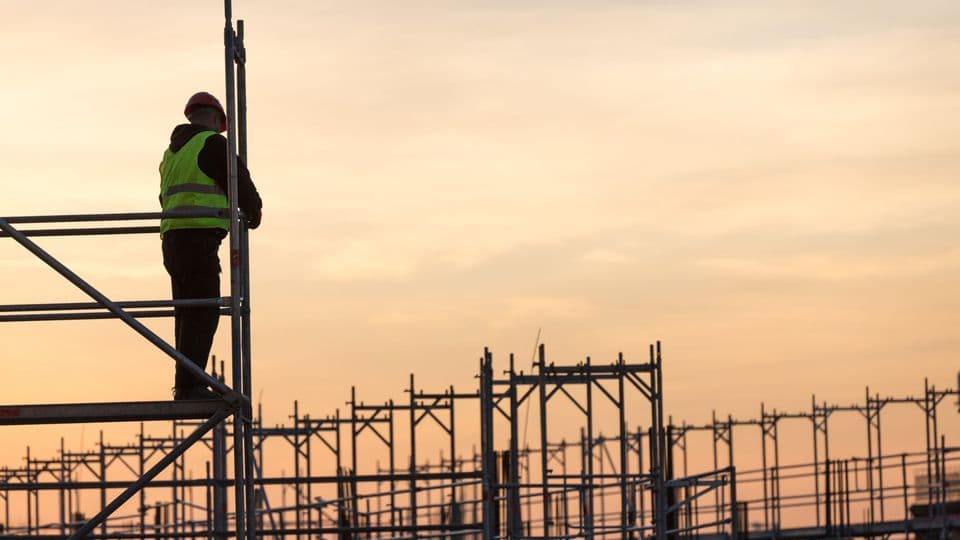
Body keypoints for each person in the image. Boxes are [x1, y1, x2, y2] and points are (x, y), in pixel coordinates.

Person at [159, 91, 262, 400]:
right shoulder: (212, 144)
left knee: (187, 312)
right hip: (198, 238)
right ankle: (190, 386)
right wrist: (254, 212)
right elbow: (239, 182)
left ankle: (186, 383)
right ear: (218, 121)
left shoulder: (173, 152)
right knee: (203, 312)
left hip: (173, 240)